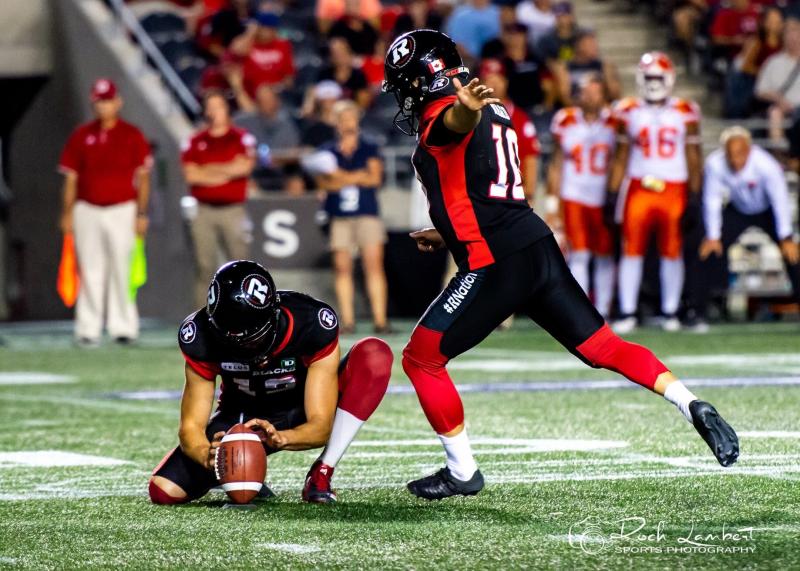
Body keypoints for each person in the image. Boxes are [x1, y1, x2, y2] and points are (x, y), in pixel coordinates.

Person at [382, 30, 738, 500]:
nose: (405, 96)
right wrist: (446, 231)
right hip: (535, 244)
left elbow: (455, 124)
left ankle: (462, 469)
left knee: (421, 359)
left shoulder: (454, 110)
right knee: (604, 346)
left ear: (424, 78)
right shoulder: (498, 110)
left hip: (494, 260)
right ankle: (689, 403)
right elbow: (483, 191)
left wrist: (464, 109)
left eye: (406, 84)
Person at [148, 260, 393, 504]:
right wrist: (207, 455)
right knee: (164, 490)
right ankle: (240, 473)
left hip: (300, 406)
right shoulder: (199, 335)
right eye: (231, 339)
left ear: (274, 316)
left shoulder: (309, 322)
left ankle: (322, 473)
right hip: (242, 418)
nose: (243, 347)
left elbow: (320, 427)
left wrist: (282, 437)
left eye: (252, 339)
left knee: (374, 356)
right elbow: (190, 426)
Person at [606, 52, 703, 333]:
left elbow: (693, 155)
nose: (653, 83)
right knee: (631, 251)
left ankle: (670, 310)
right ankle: (627, 311)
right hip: (639, 186)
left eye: (658, 77)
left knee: (672, 252)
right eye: (649, 77)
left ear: (669, 79)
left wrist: (695, 194)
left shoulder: (686, 110)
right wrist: (612, 193)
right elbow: (621, 155)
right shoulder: (627, 110)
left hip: (674, 187)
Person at [58, 78, 152, 347]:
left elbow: (143, 178)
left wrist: (141, 213)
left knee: (122, 269)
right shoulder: (81, 135)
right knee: (90, 270)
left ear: (118, 102)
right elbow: (71, 178)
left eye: (107, 100)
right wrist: (67, 212)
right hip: (87, 208)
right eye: (99, 101)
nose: (103, 106)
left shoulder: (132, 134)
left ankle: (123, 327)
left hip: (123, 208)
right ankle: (88, 328)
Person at [695, 127, 800, 327]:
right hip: (738, 208)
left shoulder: (766, 165)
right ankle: (706, 307)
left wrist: (786, 236)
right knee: (708, 249)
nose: (735, 160)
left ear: (749, 150)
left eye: (740, 154)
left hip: (767, 209)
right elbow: (712, 200)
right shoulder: (715, 164)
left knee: (793, 254)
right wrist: (713, 236)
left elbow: (780, 200)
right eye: (730, 155)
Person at [316, 100, 389, 334]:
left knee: (373, 265)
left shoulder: (369, 146)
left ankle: (380, 320)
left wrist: (341, 177)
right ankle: (347, 321)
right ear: (336, 123)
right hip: (339, 214)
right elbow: (324, 183)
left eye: (351, 118)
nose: (348, 123)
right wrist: (358, 176)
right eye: (343, 119)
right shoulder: (327, 150)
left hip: (366, 212)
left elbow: (374, 179)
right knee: (342, 267)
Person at [547, 74, 616, 318]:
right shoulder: (564, 119)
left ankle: (604, 310)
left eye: (596, 92)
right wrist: (552, 203)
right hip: (573, 194)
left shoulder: (615, 121)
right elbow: (556, 163)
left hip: (603, 196)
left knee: (605, 255)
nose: (591, 97)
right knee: (578, 254)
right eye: (587, 92)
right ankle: (582, 312)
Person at [181, 91, 256, 307]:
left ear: (226, 109)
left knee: (241, 267)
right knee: (205, 267)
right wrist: (227, 171)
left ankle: (245, 315)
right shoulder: (196, 140)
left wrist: (207, 170)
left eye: (218, 106)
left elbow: (244, 167)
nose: (214, 112)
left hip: (233, 209)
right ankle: (203, 317)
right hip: (203, 210)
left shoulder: (240, 137)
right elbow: (191, 175)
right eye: (210, 107)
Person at [234, 83, 304, 194]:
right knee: (246, 185)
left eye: (269, 100)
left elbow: (294, 152)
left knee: (296, 184)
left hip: (281, 171)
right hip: (254, 172)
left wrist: (277, 160)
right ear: (257, 103)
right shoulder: (244, 122)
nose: (266, 104)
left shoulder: (288, 124)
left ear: (277, 101)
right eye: (262, 101)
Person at [226, 11, 295, 99]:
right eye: (266, 28)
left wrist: (282, 88)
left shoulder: (282, 45)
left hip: (276, 92)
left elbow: (289, 75)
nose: (270, 32)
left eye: (272, 29)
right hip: (251, 91)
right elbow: (237, 50)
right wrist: (250, 33)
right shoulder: (249, 43)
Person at [755, 17, 800, 145]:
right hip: (783, 108)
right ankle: (779, 152)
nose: (793, 38)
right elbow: (760, 91)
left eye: (797, 34)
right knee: (775, 113)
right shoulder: (773, 62)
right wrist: (778, 99)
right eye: (789, 34)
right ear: (783, 37)